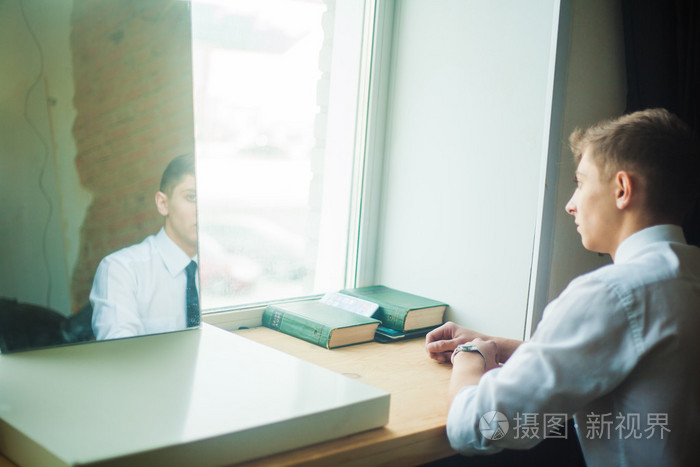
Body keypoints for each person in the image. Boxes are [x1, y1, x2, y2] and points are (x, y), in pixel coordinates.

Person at [426, 108, 700, 466]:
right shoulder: (684, 276)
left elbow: (482, 425)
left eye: (581, 182)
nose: (571, 205)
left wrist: (470, 359)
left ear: (622, 189)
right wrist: (504, 347)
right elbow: (636, 361)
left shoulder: (612, 294)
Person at [91, 154, 200, 340]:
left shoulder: (223, 271)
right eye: (191, 197)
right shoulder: (121, 270)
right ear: (163, 203)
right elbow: (121, 357)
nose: (201, 209)